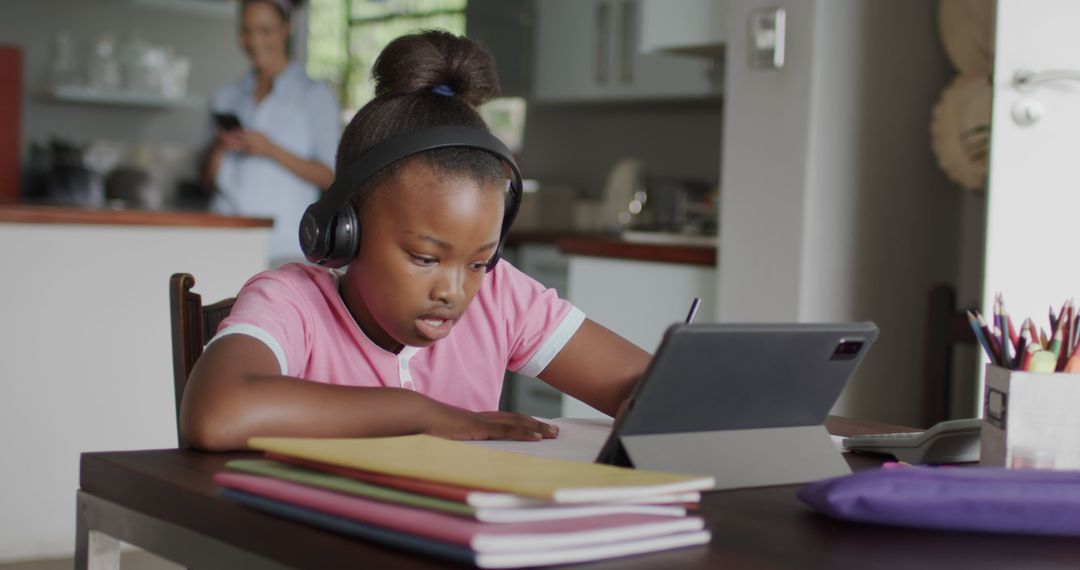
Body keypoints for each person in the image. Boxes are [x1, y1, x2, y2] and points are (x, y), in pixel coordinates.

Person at [181, 30, 651, 451]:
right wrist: (424, 414)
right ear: (345, 230)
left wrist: (652, 397)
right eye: (425, 257)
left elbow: (646, 384)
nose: (453, 291)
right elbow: (217, 413)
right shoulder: (291, 302)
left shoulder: (499, 296)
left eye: (477, 262)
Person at [202, 0, 340, 267]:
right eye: (247, 31)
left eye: (265, 31)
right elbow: (206, 184)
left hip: (282, 246)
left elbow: (330, 177)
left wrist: (270, 150)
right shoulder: (225, 96)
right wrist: (219, 149)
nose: (254, 41)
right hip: (222, 239)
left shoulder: (314, 96)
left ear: (287, 28)